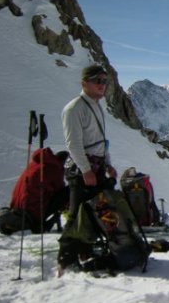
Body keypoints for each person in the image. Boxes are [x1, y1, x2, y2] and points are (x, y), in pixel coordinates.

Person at [58, 64, 117, 269]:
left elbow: (100, 140)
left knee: (94, 210)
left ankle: (85, 249)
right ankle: (66, 258)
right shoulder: (74, 108)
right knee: (77, 213)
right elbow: (73, 144)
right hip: (83, 169)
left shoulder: (95, 105)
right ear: (84, 83)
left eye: (104, 81)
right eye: (97, 81)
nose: (102, 85)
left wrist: (108, 164)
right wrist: (85, 170)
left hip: (96, 165)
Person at [9, 148, 70, 233]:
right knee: (69, 191)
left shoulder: (36, 163)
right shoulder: (55, 168)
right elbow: (59, 189)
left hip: (18, 206)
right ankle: (72, 221)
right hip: (33, 210)